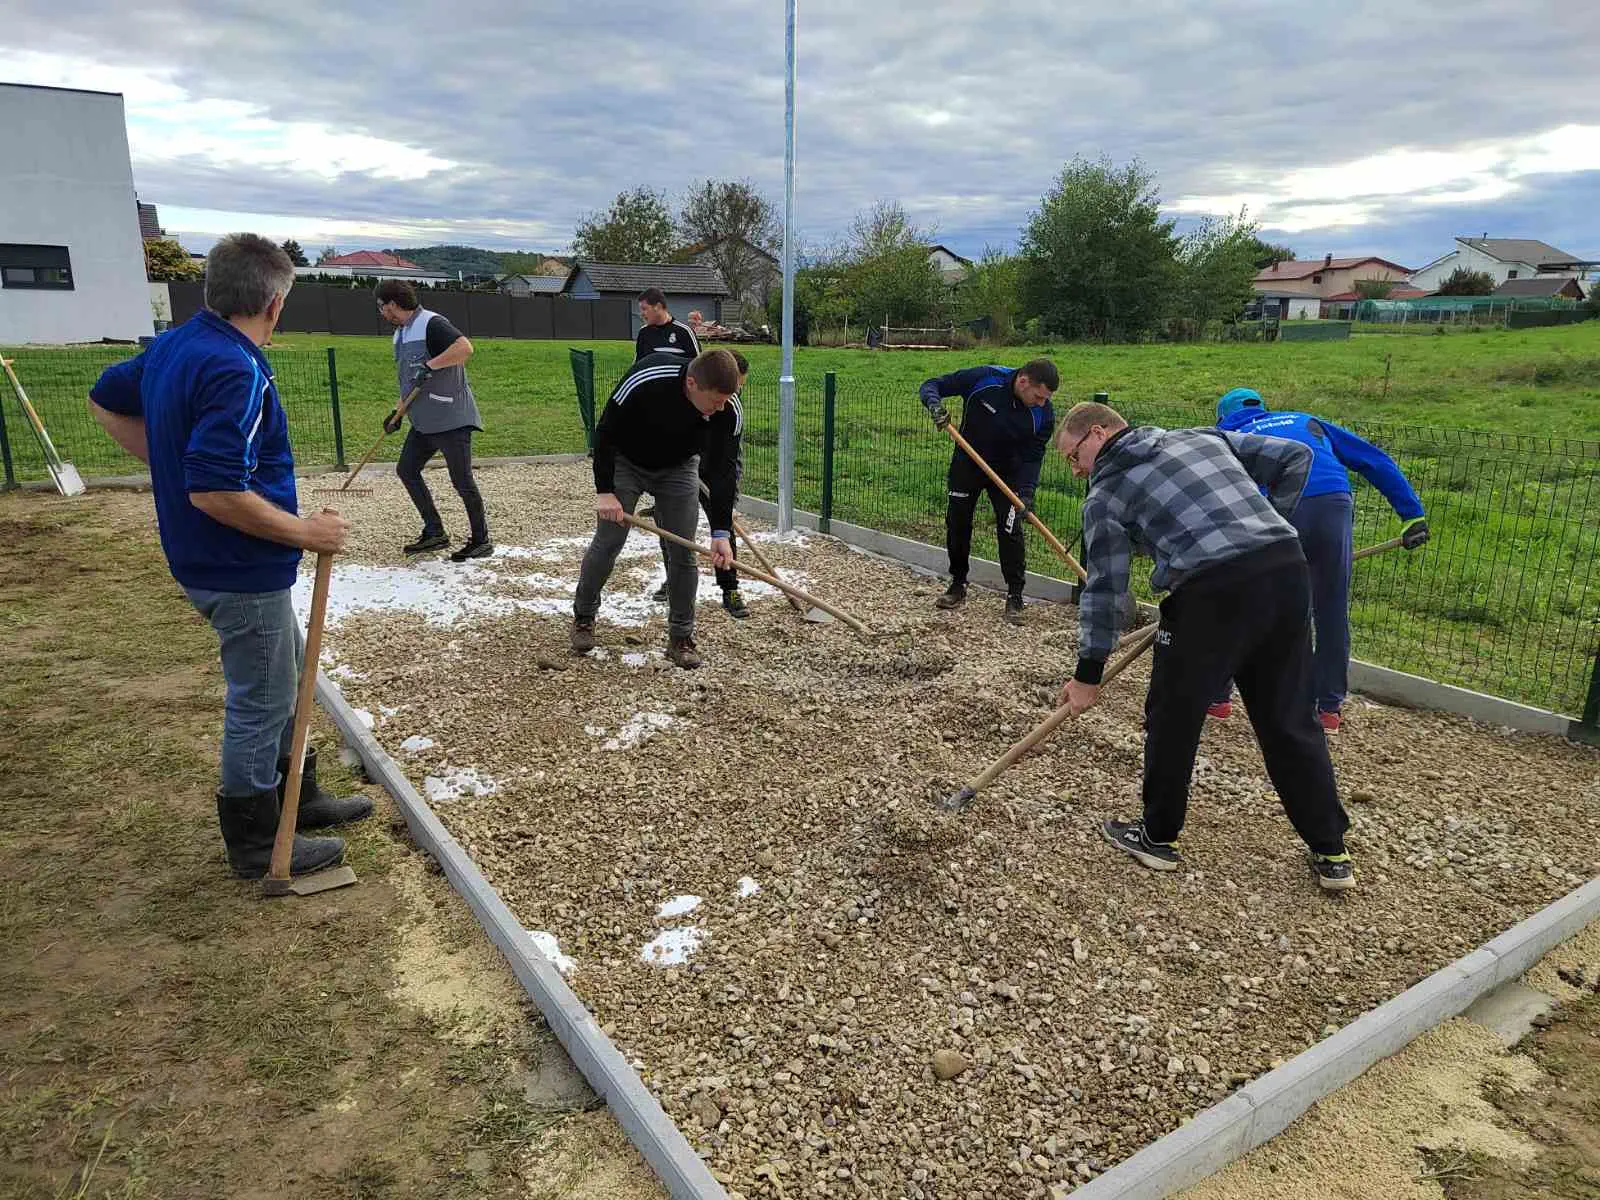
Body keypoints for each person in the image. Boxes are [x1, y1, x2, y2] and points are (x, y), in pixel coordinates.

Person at [88, 233, 372, 881]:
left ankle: (299, 793)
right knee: (263, 699)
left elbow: (103, 397)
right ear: (274, 305)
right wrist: (307, 533)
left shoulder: (177, 343)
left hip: (214, 557)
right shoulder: (234, 369)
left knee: (291, 672)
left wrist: (168, 464)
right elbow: (215, 490)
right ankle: (257, 841)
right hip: (237, 566)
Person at [1056, 401, 1355, 892]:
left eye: (1073, 457)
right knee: (1288, 716)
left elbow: (1106, 589)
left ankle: (1157, 837)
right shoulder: (1199, 437)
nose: (1075, 470)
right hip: (1284, 570)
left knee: (1174, 714)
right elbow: (1295, 458)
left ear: (1096, 433)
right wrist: (1264, 530)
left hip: (1210, 594)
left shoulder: (1106, 492)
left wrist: (1088, 673)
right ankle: (1330, 850)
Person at [1211, 387, 1429, 733]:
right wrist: (1412, 515)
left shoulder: (1224, 436)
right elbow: (1375, 460)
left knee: (1238, 600)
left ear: (1222, 415)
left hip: (1275, 506)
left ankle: (1217, 696)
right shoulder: (1306, 421)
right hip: (1331, 501)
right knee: (1330, 606)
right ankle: (1327, 708)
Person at [573, 349, 741, 668]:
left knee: (682, 550)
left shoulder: (728, 409)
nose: (720, 408)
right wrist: (605, 492)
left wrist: (721, 531)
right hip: (627, 462)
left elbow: (723, 470)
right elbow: (606, 432)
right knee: (609, 542)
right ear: (691, 383)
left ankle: (681, 636)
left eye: (726, 401)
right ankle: (583, 615)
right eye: (715, 401)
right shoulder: (647, 379)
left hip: (678, 468)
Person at [918, 359, 1059, 624]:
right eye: (1038, 396)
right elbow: (932, 385)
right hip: (967, 464)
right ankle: (958, 584)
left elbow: (1033, 456)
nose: (1042, 403)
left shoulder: (1043, 415)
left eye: (1046, 399)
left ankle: (1015, 596)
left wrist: (1027, 492)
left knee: (1010, 529)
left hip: (1008, 474)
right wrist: (934, 405)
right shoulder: (984, 379)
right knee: (958, 524)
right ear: (1023, 381)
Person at [376, 280, 492, 562]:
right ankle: (435, 531)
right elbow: (409, 380)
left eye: (381, 307)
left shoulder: (432, 323)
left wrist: (431, 365)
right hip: (424, 420)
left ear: (392, 304)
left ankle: (481, 540)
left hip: (451, 417)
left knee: (461, 480)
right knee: (407, 469)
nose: (381, 313)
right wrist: (398, 412)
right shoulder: (401, 334)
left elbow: (465, 349)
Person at [650, 350, 750, 618]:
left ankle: (730, 588)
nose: (733, 395)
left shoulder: (730, 410)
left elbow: (727, 461)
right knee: (671, 528)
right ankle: (674, 581)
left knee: (723, 528)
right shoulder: (686, 395)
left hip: (711, 471)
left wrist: (726, 501)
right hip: (679, 466)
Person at [635, 287, 701, 360]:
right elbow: (637, 366)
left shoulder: (685, 332)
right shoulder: (643, 332)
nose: (641, 314)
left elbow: (698, 366)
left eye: (644, 309)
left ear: (658, 306)